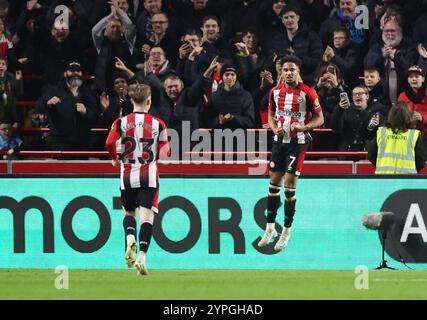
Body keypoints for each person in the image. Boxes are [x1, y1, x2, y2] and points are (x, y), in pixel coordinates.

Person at [258, 55, 324, 252]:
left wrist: (304, 127)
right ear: (281, 72)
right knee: (272, 186)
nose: (288, 73)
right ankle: (270, 228)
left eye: (292, 70)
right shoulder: (274, 92)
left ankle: (286, 231)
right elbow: (271, 115)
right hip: (279, 143)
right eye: (285, 70)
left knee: (289, 188)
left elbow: (320, 118)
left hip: (298, 143)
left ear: (298, 72)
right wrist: (273, 127)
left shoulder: (309, 93)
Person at [105, 83, 169, 276]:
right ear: (149, 101)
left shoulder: (121, 122)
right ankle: (141, 256)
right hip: (148, 177)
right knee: (147, 218)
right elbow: (166, 153)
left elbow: (109, 142)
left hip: (127, 176)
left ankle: (130, 238)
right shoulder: (159, 124)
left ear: (132, 100)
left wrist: (115, 158)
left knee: (129, 214)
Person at [367, 100, 427, 174]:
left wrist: (382, 165)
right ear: (408, 116)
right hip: (407, 179)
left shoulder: (382, 132)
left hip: (383, 178)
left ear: (391, 115)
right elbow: (421, 161)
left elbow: (371, 155)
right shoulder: (414, 135)